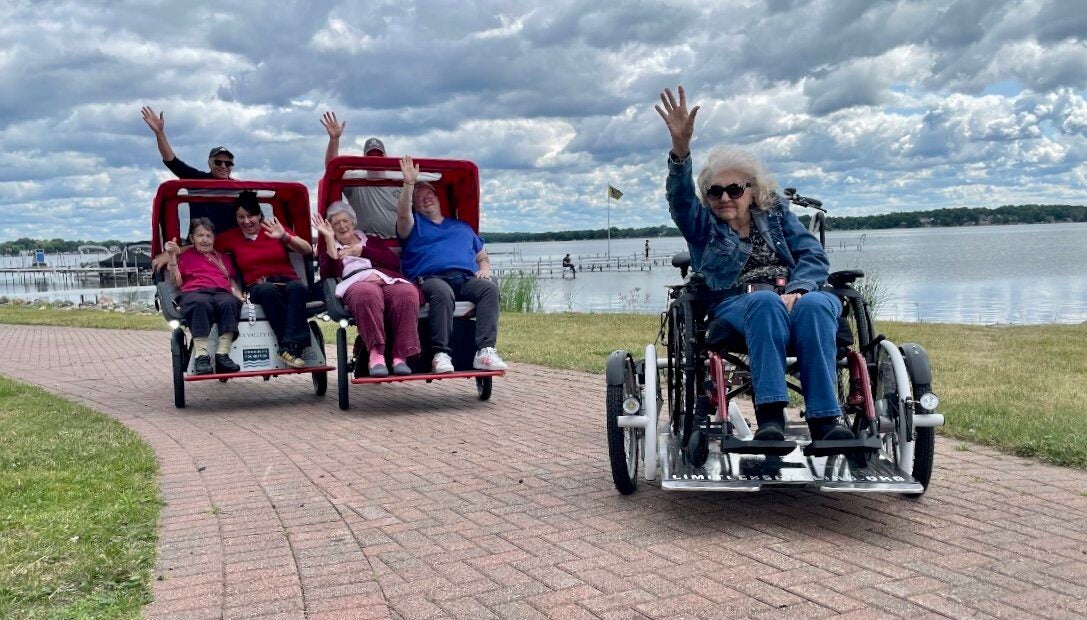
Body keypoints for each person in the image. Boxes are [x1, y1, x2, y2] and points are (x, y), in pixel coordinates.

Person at [655, 85, 852, 443]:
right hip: (737, 306)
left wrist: (800, 288)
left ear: (753, 190)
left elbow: (812, 255)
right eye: (715, 191)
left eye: (735, 189)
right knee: (763, 302)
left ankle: (826, 423)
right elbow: (680, 199)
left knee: (821, 302)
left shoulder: (776, 216)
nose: (725, 197)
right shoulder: (704, 228)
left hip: (793, 298)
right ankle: (771, 418)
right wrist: (681, 149)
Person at [395, 155, 508, 374]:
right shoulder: (412, 225)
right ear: (414, 205)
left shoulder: (462, 227)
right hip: (431, 279)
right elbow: (402, 213)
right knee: (442, 292)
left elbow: (482, 257)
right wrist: (409, 184)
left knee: (489, 289)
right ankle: (441, 354)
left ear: (438, 198)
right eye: (420, 197)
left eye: (429, 194)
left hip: (465, 279)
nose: (426, 198)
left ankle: (485, 351)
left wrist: (484, 271)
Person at [313, 202, 421, 377]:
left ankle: (400, 356)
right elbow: (328, 273)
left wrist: (361, 251)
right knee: (367, 293)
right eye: (336, 223)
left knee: (407, 293)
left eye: (345, 220)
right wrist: (329, 239)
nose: (342, 226)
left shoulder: (371, 241)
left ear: (353, 221)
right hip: (356, 284)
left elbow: (392, 262)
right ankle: (376, 354)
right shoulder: (330, 248)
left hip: (385, 279)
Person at [214, 190, 314, 368]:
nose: (246, 221)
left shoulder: (274, 228)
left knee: (297, 288)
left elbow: (307, 249)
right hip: (258, 285)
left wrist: (284, 236)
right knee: (268, 290)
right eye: (241, 217)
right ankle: (291, 347)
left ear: (259, 214)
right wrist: (171, 253)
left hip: (287, 280)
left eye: (250, 215)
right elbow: (202, 243)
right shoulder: (231, 237)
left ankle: (286, 348)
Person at [141, 106, 239, 237]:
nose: (223, 166)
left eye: (228, 163)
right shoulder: (197, 180)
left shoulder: (240, 189)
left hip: (228, 245)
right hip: (199, 243)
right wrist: (159, 133)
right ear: (209, 163)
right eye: (218, 162)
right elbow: (172, 161)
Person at [163, 218, 243, 375]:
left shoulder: (223, 258)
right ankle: (201, 356)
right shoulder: (185, 257)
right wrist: (172, 257)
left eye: (208, 236)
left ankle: (222, 355)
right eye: (200, 235)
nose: (205, 240)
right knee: (200, 302)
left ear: (214, 238)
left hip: (221, 293)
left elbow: (232, 281)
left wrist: (239, 297)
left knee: (230, 303)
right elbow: (177, 282)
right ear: (192, 238)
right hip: (195, 293)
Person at [321, 111, 400, 238]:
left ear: (386, 157)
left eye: (379, 156)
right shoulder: (355, 182)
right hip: (365, 244)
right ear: (364, 159)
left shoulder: (400, 181)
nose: (375, 160)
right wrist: (334, 140)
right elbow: (332, 169)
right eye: (371, 156)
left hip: (399, 243)